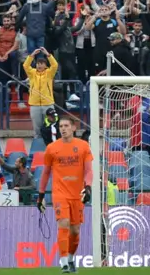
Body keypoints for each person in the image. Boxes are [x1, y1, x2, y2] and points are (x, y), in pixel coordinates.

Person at [38, 116, 94, 274]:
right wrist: (41, 195)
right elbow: (46, 173)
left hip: (77, 194)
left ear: (73, 128)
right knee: (63, 224)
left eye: (66, 126)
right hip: (60, 194)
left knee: (75, 230)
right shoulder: (52, 148)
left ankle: (70, 258)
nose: (63, 129)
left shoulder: (83, 146)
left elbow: (89, 170)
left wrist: (88, 187)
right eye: (61, 126)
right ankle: (63, 263)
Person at [24, 48, 59, 141]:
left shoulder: (49, 73)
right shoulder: (32, 73)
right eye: (38, 63)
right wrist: (32, 55)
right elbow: (26, 65)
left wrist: (47, 54)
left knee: (51, 125)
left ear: (45, 65)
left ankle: (51, 142)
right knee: (37, 128)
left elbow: (55, 65)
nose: (39, 65)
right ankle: (38, 146)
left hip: (48, 104)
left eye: (42, 63)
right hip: (34, 105)